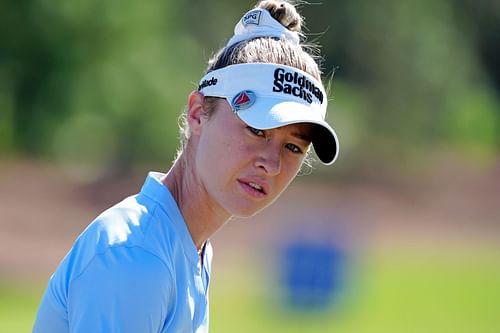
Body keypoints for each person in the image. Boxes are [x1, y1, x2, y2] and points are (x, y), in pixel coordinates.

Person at [32, 1, 339, 332]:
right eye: (255, 129)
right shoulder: (137, 257)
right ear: (197, 113)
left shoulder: (187, 247)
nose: (272, 164)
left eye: (292, 147)